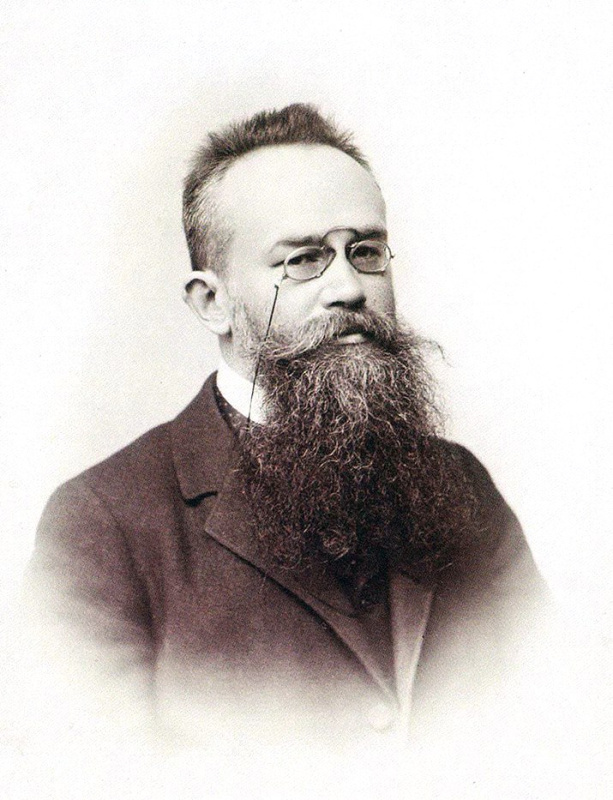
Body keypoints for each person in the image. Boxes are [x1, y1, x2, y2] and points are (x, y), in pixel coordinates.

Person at [25, 103, 549, 788]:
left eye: (366, 252)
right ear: (211, 303)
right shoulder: (102, 522)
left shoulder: (459, 483)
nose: (350, 289)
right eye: (303, 260)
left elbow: (554, 720)